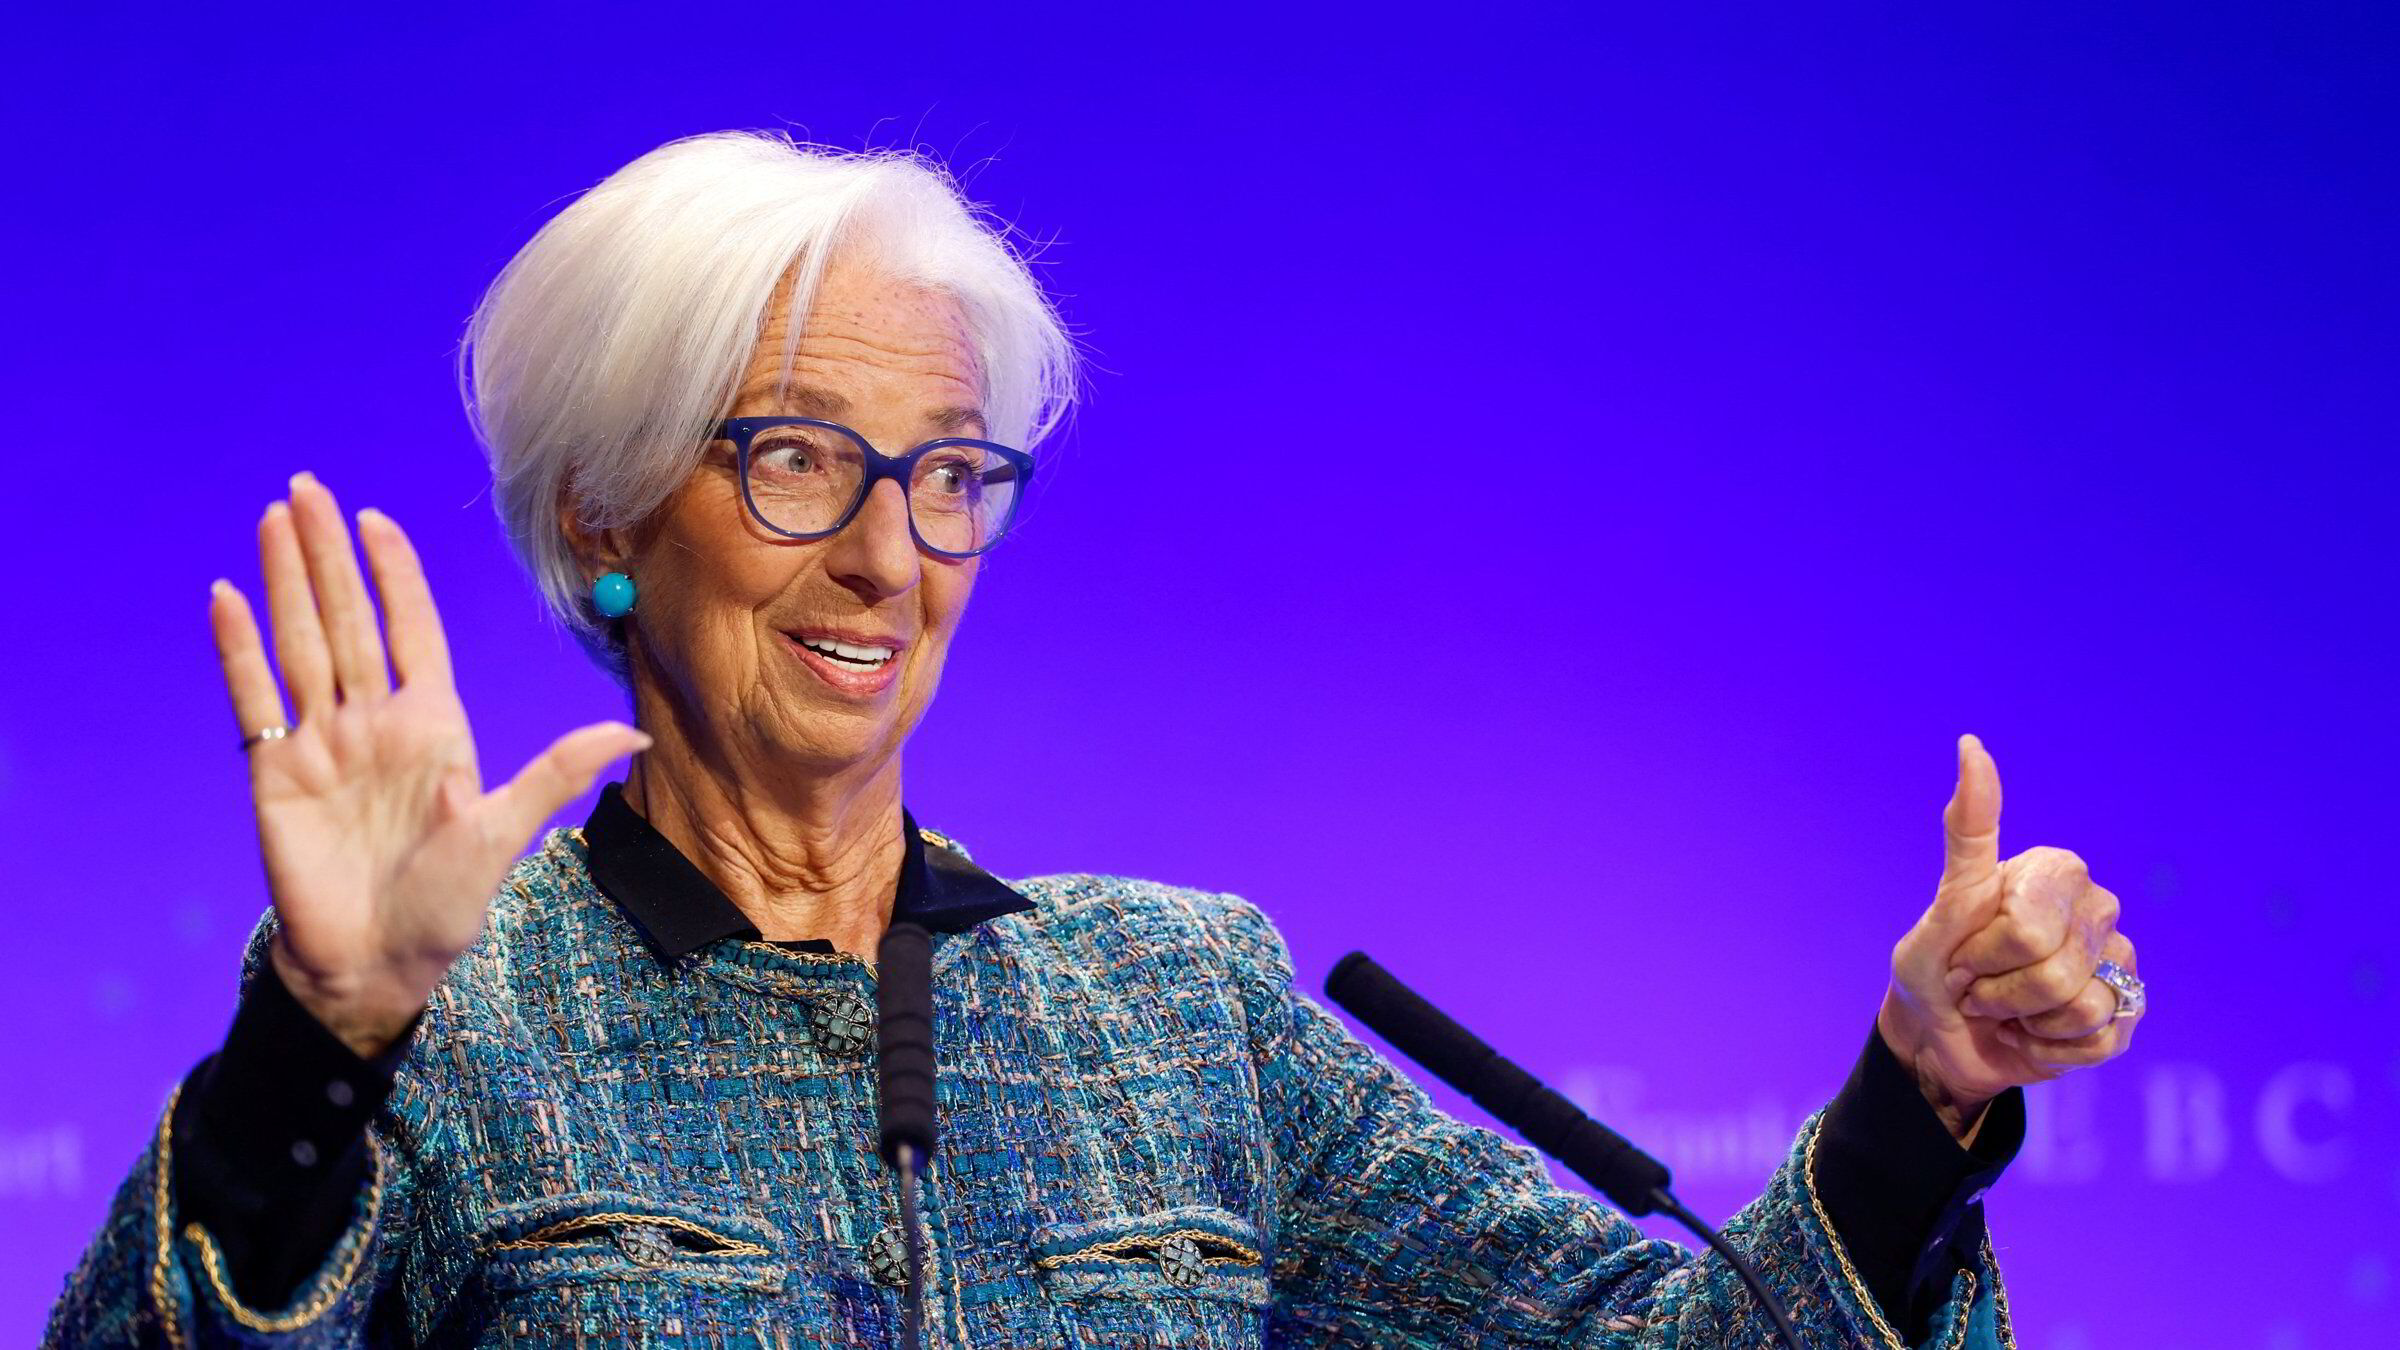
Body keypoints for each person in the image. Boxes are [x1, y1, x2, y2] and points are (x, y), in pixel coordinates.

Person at [45, 131, 2142, 1349]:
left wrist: (1920, 1093)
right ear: (603, 515)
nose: (890, 555)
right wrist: (319, 1045)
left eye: (950, 472)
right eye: (798, 457)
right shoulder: (450, 1027)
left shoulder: (1178, 1006)